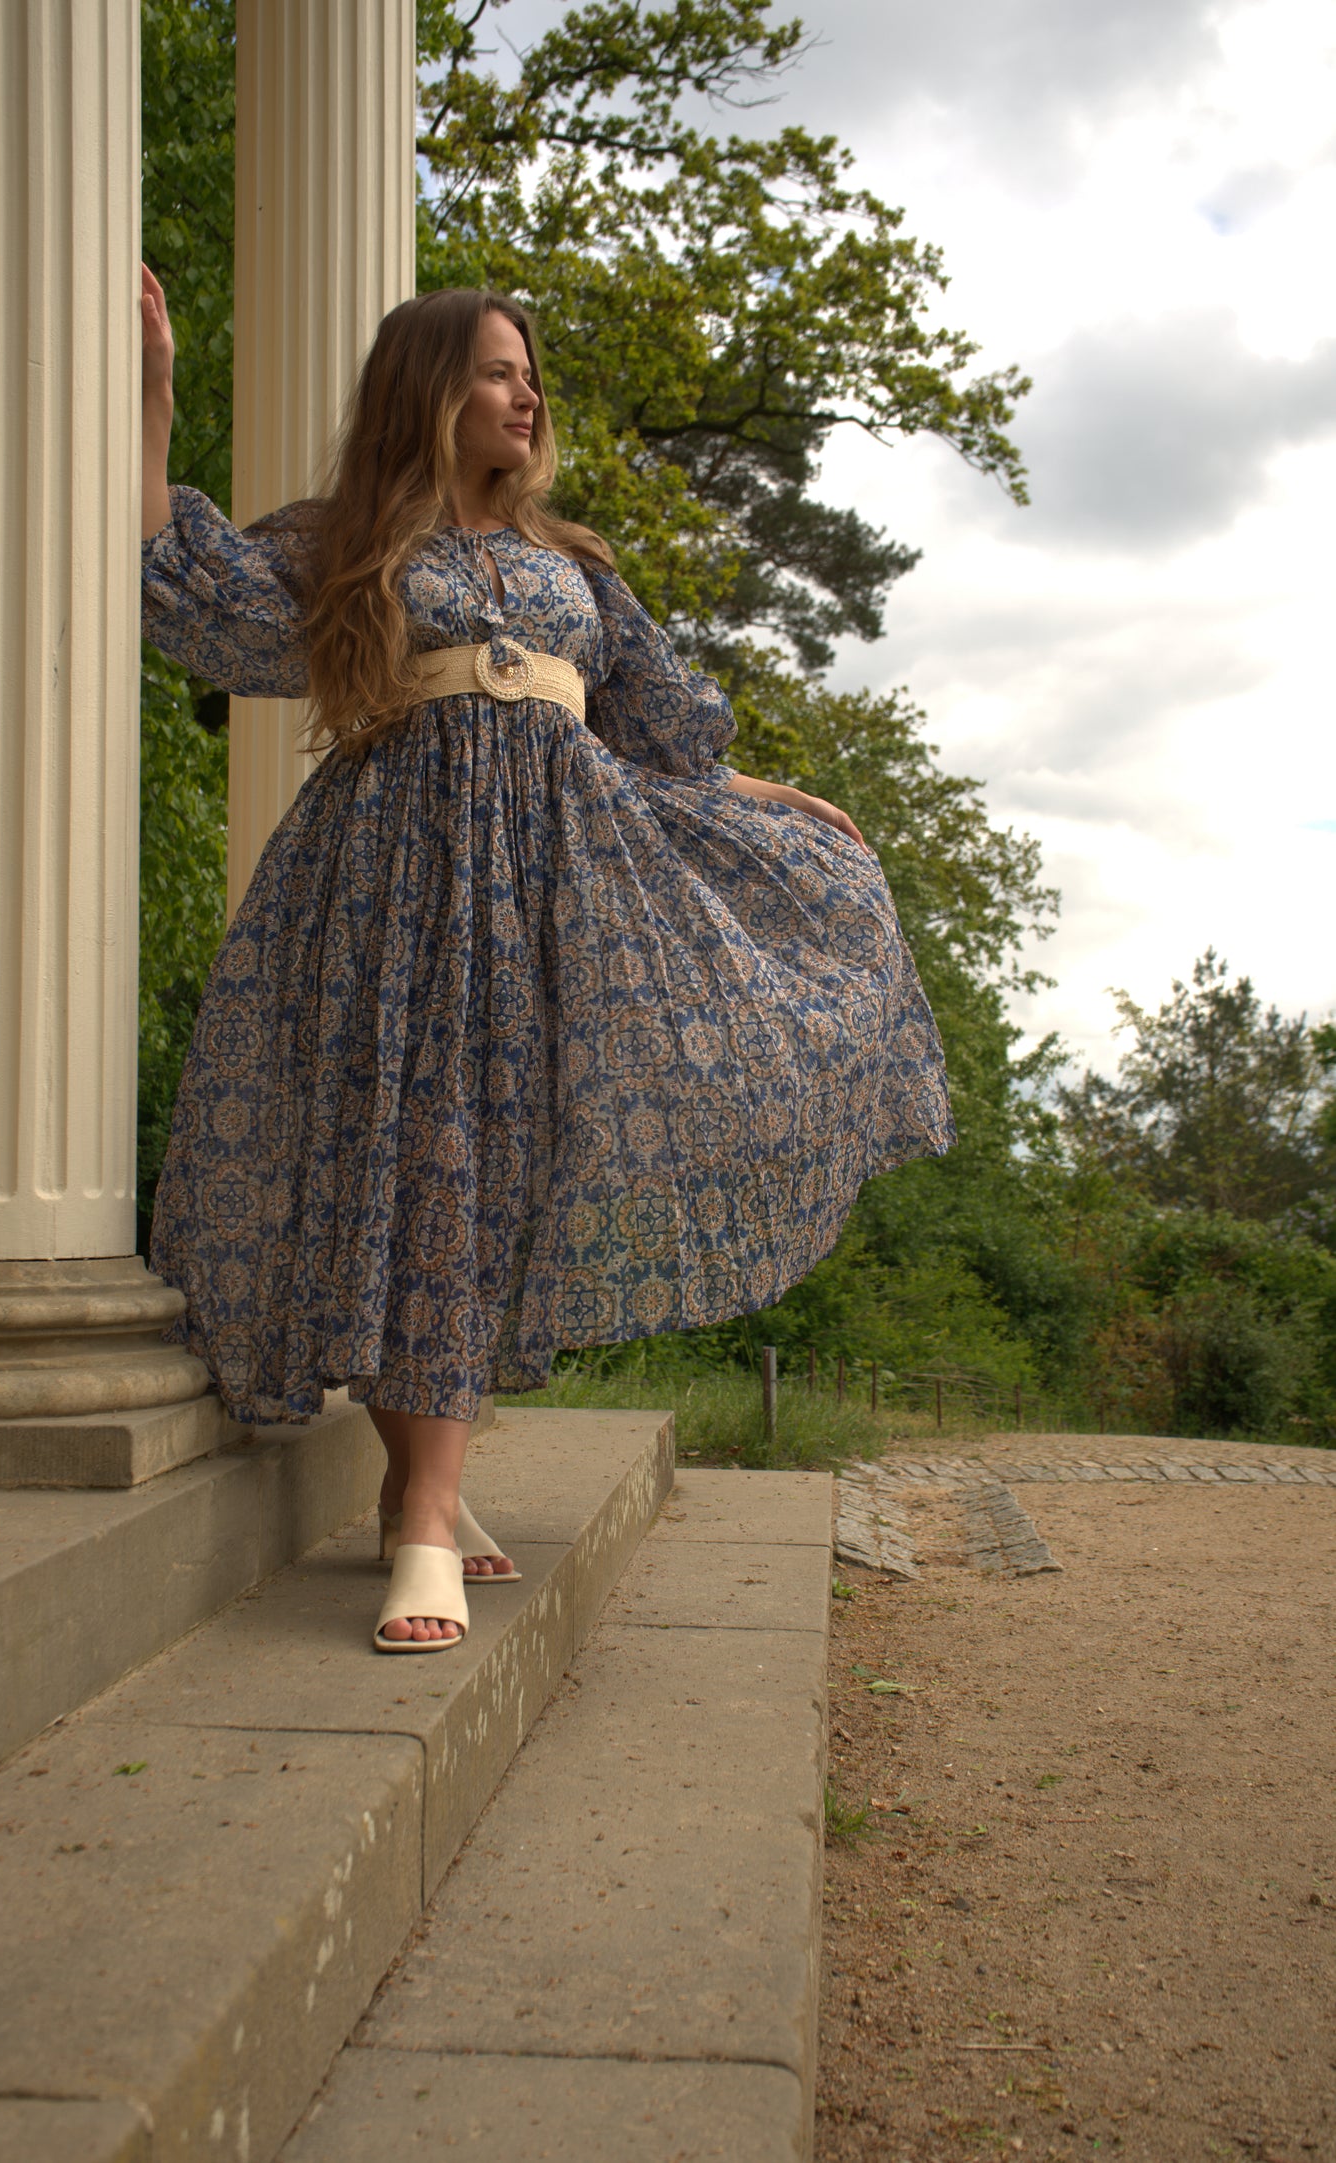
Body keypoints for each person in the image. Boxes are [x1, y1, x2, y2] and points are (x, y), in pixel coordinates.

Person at [139, 266, 954, 1654]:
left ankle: (424, 1486)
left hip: (553, 893)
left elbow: (655, 727)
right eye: (502, 371)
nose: (528, 396)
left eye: (532, 378)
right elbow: (185, 593)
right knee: (421, 1167)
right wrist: (153, 397)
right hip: (391, 887)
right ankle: (418, 1520)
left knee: (488, 1172)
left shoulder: (573, 564)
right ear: (431, 389)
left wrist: (759, 798)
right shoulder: (344, 540)